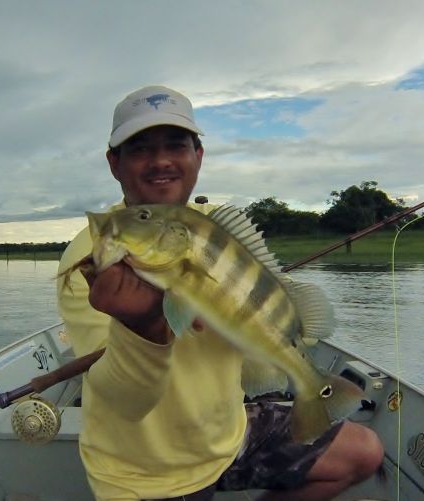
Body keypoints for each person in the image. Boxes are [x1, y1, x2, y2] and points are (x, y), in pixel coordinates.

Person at [57, 85, 384, 501]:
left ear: (198, 157)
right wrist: (144, 328)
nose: (160, 161)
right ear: (114, 164)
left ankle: (309, 388)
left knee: (363, 451)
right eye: (140, 149)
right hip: (147, 472)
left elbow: (260, 298)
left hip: (229, 435)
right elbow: (125, 402)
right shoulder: (87, 259)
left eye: (176, 145)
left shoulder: (218, 225)